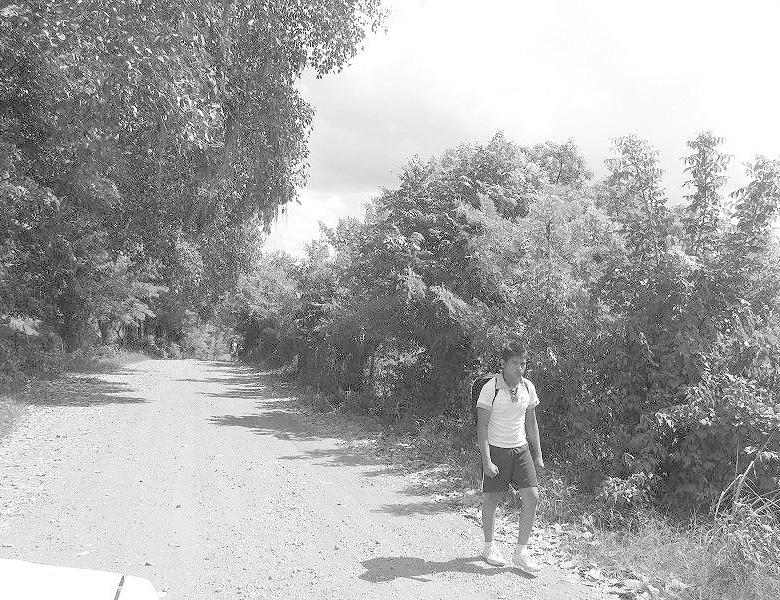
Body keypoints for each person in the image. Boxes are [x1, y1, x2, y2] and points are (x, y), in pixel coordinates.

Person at [476, 341, 545, 573]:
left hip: (521, 449)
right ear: (503, 363)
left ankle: (520, 552)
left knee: (532, 497)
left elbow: (531, 422)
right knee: (492, 498)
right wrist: (487, 460)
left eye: (523, 363)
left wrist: (538, 454)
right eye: (515, 363)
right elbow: (482, 427)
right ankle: (489, 547)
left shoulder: (528, 387)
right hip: (497, 449)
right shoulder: (491, 389)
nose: (520, 368)